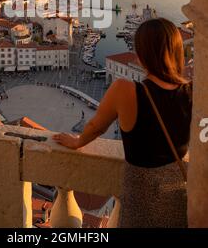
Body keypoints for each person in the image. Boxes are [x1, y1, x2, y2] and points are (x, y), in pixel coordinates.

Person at [53, 18, 192, 228]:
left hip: (140, 194)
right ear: (177, 50)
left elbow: (96, 127)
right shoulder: (192, 92)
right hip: (176, 193)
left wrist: (78, 142)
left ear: (142, 53)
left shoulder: (124, 90)